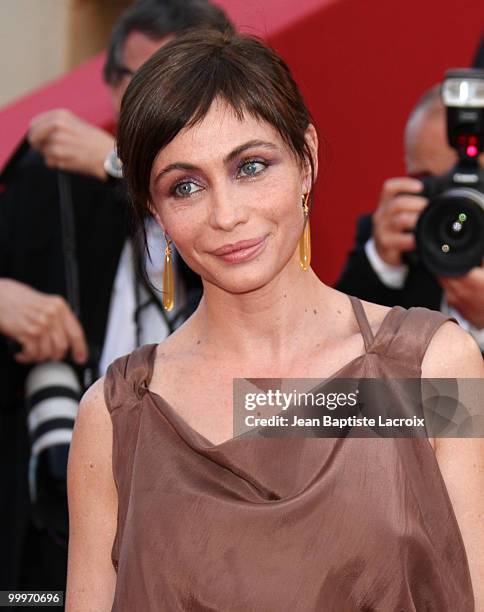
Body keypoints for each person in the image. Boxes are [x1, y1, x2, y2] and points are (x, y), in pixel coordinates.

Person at [66, 30, 484, 611]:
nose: (227, 215)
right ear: (152, 208)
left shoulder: (434, 369)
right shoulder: (113, 419)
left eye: (252, 167)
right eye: (185, 186)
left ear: (306, 160)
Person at [0, 0, 233, 594]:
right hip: (55, 523)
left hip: (210, 521)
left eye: (186, 83)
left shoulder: (245, 213)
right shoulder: (52, 180)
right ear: (111, 87)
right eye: (147, 81)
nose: (166, 104)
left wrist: (116, 166)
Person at [336, 85, 484, 350]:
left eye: (476, 185)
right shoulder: (401, 237)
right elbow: (332, 361)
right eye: (434, 183)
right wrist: (381, 265)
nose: (459, 207)